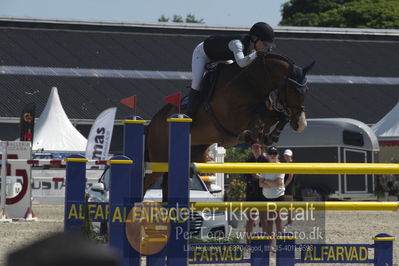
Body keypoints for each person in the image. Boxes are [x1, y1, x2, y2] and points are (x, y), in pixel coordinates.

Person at [188, 22, 276, 119]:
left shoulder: (252, 50)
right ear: (255, 39)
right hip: (204, 54)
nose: (266, 48)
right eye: (264, 44)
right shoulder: (237, 44)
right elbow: (242, 63)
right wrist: (256, 54)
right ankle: (189, 116)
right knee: (197, 84)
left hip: (223, 57)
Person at [259, 146, 285, 243]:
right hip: (267, 197)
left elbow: (278, 183)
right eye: (270, 153)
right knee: (269, 222)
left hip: (278, 196)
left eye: (274, 153)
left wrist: (266, 181)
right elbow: (260, 184)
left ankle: (281, 245)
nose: (273, 155)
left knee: (278, 222)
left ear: (278, 154)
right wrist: (271, 183)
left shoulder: (280, 166)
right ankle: (269, 246)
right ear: (267, 155)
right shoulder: (265, 166)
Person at [244, 142, 268, 242]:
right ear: (251, 149)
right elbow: (247, 177)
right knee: (250, 219)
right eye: (254, 147)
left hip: (263, 193)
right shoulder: (248, 161)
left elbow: (266, 177)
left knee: (264, 220)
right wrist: (258, 177)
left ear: (261, 149)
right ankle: (248, 242)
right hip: (251, 192)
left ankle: (265, 242)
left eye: (258, 147)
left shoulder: (265, 161)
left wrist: (258, 176)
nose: (256, 149)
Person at [283, 149, 295, 227]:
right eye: (285, 155)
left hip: (289, 187)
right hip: (287, 186)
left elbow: (290, 177)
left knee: (289, 205)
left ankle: (290, 222)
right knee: (287, 205)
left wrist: (284, 186)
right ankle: (289, 221)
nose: (286, 157)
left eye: (288, 155)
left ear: (291, 156)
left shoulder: (291, 164)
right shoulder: (286, 164)